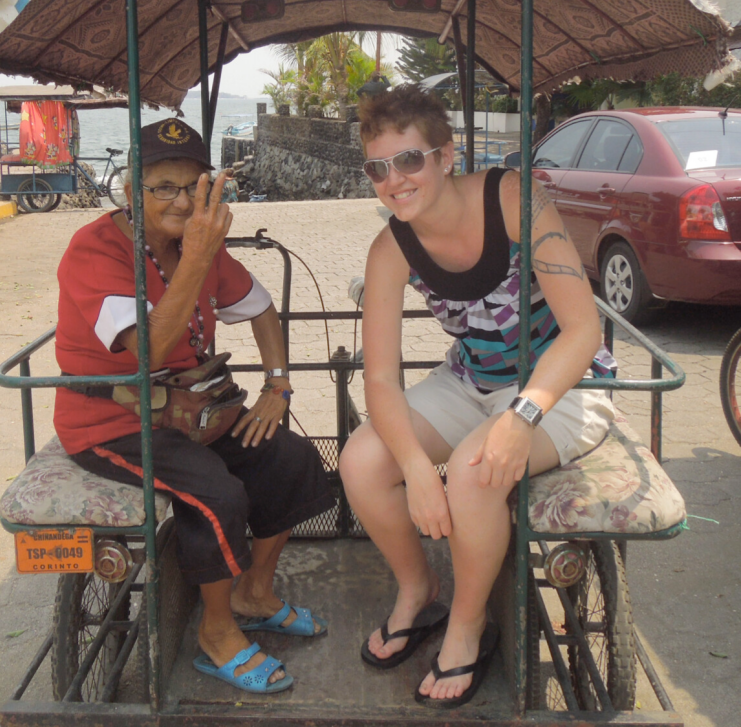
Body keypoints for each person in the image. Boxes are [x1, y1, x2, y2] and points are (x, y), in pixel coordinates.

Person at [339, 86, 615, 708]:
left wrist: (523, 416)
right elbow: (379, 379)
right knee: (362, 460)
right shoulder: (391, 249)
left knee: (472, 471)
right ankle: (418, 592)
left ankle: (468, 625)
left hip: (561, 380)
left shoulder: (514, 199)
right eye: (378, 168)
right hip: (472, 377)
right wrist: (414, 465)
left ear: (445, 156)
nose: (395, 180)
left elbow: (582, 329)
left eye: (409, 160)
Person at [54, 118, 334, 695]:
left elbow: (259, 310)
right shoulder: (95, 249)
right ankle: (217, 631)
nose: (181, 200)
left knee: (290, 458)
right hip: (113, 420)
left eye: (194, 187)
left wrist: (277, 388)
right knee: (217, 492)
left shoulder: (193, 246)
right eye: (163, 187)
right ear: (132, 191)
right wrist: (200, 253)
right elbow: (149, 349)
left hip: (189, 409)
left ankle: (255, 591)